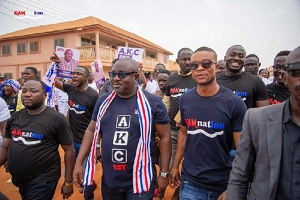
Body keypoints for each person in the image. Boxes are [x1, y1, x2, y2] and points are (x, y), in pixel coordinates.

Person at [73, 58, 171, 200]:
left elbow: (165, 137)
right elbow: (91, 130)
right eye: (113, 74)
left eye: (122, 75)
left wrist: (163, 173)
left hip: (140, 181)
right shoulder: (103, 101)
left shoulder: (153, 103)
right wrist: (79, 163)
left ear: (136, 77)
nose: (115, 79)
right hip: (110, 179)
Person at [168, 47, 247, 200]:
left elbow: (242, 150)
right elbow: (184, 133)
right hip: (191, 183)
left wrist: (233, 187)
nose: (199, 69)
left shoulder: (234, 103)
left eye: (205, 64)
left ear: (216, 67)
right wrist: (175, 166)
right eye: (194, 65)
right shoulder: (186, 99)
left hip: (223, 184)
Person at [226, 45, 300, 200]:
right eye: (296, 71)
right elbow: (239, 178)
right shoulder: (257, 120)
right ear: (285, 76)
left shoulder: (255, 83)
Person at [0, 80, 75, 200]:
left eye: (33, 91)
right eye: (24, 91)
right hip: (20, 180)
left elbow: (69, 150)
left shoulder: (56, 119)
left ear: (44, 96)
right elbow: (5, 146)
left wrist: (68, 182)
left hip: (43, 180)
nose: (27, 94)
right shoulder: (15, 117)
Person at [55, 65, 98, 199]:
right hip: (71, 142)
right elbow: (52, 81)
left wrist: (97, 145)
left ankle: (88, 194)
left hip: (87, 143)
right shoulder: (70, 89)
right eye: (73, 73)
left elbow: (97, 122)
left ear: (86, 78)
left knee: (85, 175)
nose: (74, 76)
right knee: (70, 172)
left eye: (78, 74)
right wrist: (55, 66)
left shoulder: (93, 95)